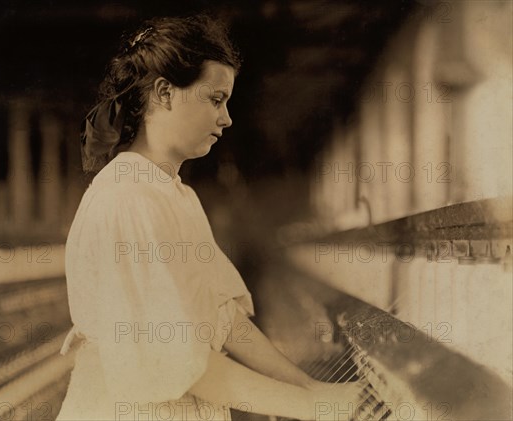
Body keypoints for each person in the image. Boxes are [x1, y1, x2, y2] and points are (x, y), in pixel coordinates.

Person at [56, 14, 362, 421]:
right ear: (165, 93)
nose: (227, 118)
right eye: (216, 99)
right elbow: (173, 359)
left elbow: (225, 319)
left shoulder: (175, 195)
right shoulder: (127, 198)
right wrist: (311, 407)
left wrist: (310, 387)